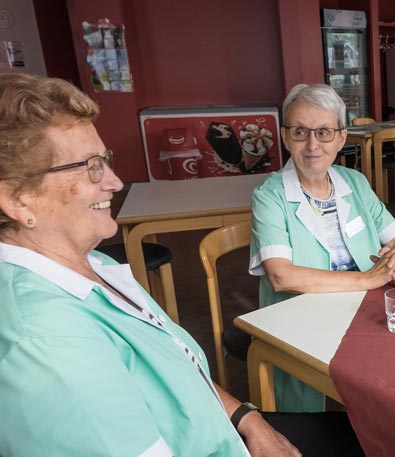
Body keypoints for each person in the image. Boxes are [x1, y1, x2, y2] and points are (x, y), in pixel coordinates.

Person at [0, 73, 363, 456]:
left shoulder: (95, 264)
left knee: (366, 433)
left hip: (227, 429)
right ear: (18, 200)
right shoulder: (44, 340)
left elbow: (181, 365)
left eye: (105, 160)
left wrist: (249, 420)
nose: (115, 182)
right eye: (89, 167)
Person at [249, 83, 395, 412]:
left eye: (324, 132)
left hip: (360, 310)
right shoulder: (269, 195)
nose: (312, 145)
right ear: (285, 136)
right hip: (303, 317)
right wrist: (367, 279)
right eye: (300, 132)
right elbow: (282, 277)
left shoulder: (353, 182)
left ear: (341, 138)